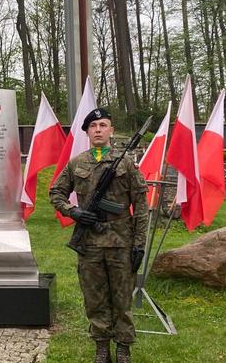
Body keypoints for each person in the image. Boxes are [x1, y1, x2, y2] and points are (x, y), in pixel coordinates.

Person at [49, 108, 149, 363]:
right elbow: (56, 193)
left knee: (122, 298)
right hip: (90, 243)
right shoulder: (77, 163)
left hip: (121, 243)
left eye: (103, 125)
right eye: (93, 126)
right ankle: (102, 346)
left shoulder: (125, 163)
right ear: (86, 132)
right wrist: (75, 212)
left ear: (111, 131)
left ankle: (123, 347)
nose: (98, 130)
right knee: (94, 297)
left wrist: (139, 244)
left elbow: (140, 204)